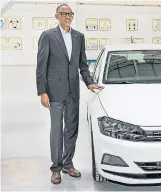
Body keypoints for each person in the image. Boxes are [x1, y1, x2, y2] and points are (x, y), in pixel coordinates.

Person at [36, 4, 104, 184]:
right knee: (57, 130)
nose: (67, 17)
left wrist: (89, 82)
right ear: (57, 16)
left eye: (70, 14)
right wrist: (42, 91)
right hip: (55, 92)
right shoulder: (48, 36)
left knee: (71, 129)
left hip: (73, 92)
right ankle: (56, 168)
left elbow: (82, 64)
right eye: (64, 14)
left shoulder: (78, 37)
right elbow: (41, 66)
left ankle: (68, 164)